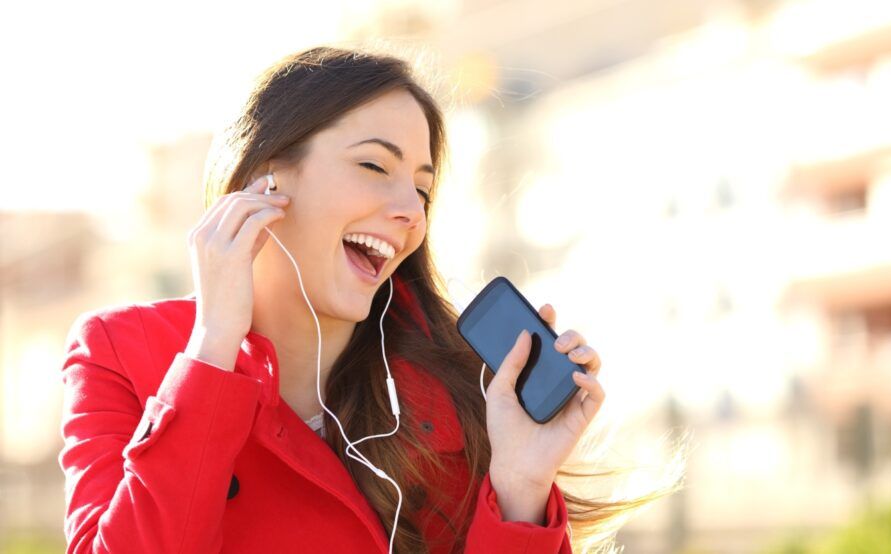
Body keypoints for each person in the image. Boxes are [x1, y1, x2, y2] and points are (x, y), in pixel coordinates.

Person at [59, 46, 669, 554]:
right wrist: (213, 350)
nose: (409, 211)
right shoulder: (120, 353)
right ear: (266, 180)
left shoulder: (454, 397)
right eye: (375, 166)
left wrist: (519, 485)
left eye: (423, 189)